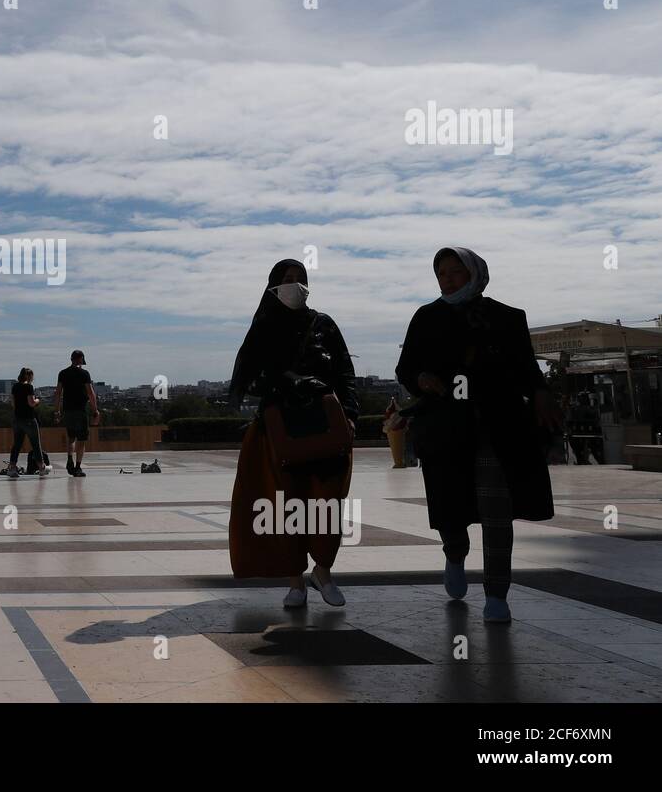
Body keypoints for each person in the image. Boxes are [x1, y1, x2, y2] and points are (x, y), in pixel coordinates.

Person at [395, 247, 559, 624]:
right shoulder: (427, 317)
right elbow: (407, 367)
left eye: (456, 272)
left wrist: (541, 392)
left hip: (496, 425)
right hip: (446, 427)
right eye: (442, 274)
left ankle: (497, 594)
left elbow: (524, 367)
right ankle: (455, 553)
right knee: (451, 506)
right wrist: (421, 379)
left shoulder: (507, 317)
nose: (449, 279)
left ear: (475, 273)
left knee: (496, 511)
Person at [226, 259, 359, 609]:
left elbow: (345, 370)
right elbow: (248, 380)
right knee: (288, 506)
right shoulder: (264, 327)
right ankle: (294, 581)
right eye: (288, 279)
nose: (296, 285)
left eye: (301, 279)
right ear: (273, 285)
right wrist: (285, 380)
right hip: (280, 430)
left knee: (327, 504)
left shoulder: (323, 324)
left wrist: (351, 415)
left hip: (323, 425)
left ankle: (323, 571)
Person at [54, 350, 98, 477]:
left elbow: (58, 393)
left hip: (68, 409)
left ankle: (69, 459)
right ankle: (78, 467)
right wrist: (95, 410)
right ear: (80, 359)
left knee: (71, 436)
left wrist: (56, 410)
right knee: (82, 439)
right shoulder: (84, 374)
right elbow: (90, 393)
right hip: (81, 410)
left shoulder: (63, 373)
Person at [7, 367, 51, 478]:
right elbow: (31, 403)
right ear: (29, 376)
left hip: (17, 419)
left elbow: (13, 403)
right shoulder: (28, 387)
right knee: (36, 444)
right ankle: (41, 467)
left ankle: (12, 467)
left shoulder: (15, 387)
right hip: (29, 419)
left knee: (17, 445)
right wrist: (37, 400)